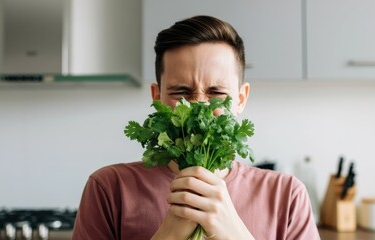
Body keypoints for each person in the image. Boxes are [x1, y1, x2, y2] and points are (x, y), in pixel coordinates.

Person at [72, 15, 320, 240]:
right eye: (181, 92)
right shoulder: (108, 189)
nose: (198, 106)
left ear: (241, 99)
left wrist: (233, 230)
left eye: (216, 92)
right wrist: (169, 234)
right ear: (157, 97)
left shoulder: (287, 196)